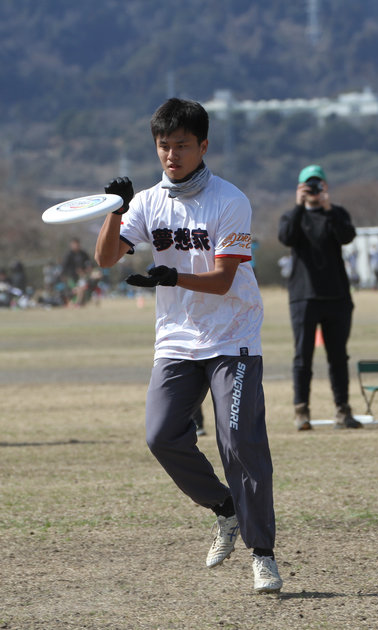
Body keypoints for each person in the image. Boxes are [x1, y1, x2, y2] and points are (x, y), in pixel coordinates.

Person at [94, 98, 281, 594]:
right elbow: (106, 258)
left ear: (203, 146)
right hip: (177, 339)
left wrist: (172, 276)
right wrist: (115, 211)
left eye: (181, 145)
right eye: (163, 145)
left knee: (237, 439)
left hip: (232, 337)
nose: (171, 155)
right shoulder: (148, 201)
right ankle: (226, 508)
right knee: (161, 436)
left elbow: (223, 280)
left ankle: (263, 554)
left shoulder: (230, 200)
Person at [278, 164, 361, 431]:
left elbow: (346, 236)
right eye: (308, 185)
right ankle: (301, 410)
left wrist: (328, 208)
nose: (313, 190)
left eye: (318, 185)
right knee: (303, 357)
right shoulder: (292, 216)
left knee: (339, 357)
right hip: (304, 296)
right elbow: (286, 237)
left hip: (337, 296)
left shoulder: (337, 213)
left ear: (325, 186)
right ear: (300, 188)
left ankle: (343, 410)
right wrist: (299, 205)